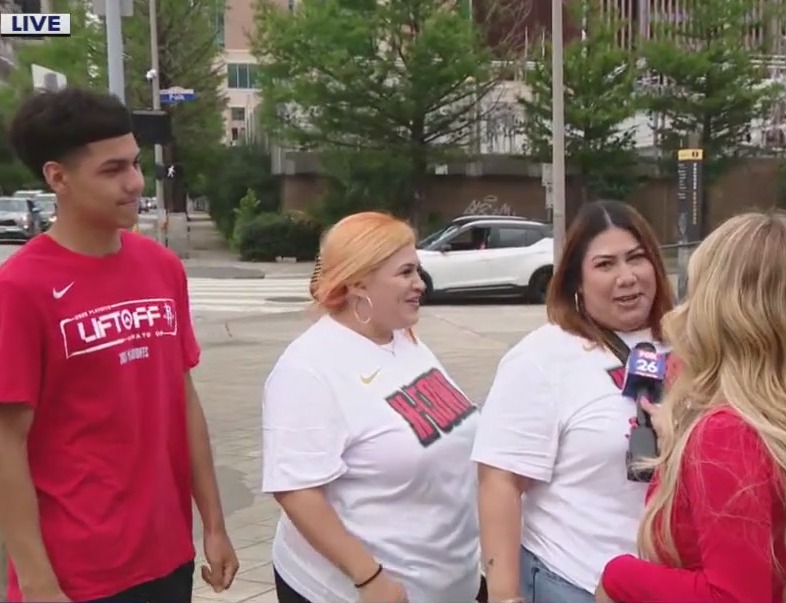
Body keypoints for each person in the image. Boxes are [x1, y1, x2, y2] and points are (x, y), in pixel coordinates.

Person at [473, 188, 786, 603]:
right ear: (575, 279)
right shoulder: (542, 357)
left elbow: (782, 318)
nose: (626, 276)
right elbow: (499, 479)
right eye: (605, 264)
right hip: (578, 578)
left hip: (671, 583)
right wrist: (506, 595)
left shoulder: (691, 341)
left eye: (636, 258)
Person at [0, 88, 238, 602]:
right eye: (112, 170)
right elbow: (5, 445)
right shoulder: (20, 289)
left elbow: (183, 399)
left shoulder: (161, 267)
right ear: (57, 177)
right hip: (76, 575)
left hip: (166, 554)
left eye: (134, 163)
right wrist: (36, 579)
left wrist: (213, 523)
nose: (134, 183)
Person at [597, 211, 786, 603]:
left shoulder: (727, 434)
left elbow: (731, 596)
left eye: (698, 290)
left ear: (722, 309)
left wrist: (618, 577)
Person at [262, 211, 481, 603]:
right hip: (357, 591)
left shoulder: (404, 339)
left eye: (418, 271)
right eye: (406, 273)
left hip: (450, 581)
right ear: (359, 280)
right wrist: (369, 578)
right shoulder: (308, 369)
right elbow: (296, 491)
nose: (420, 285)